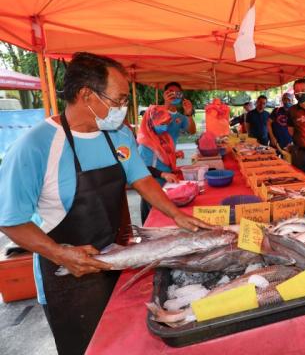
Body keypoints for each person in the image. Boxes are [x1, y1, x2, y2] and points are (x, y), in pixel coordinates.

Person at [0, 53, 211, 355]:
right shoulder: (36, 145)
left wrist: (176, 215)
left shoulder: (119, 134)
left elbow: (142, 179)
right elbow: (10, 220)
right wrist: (59, 253)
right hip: (69, 274)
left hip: (120, 260)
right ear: (86, 94)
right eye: (119, 100)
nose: (123, 108)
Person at [137, 105, 180, 223]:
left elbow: (161, 156)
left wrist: (174, 155)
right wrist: (163, 174)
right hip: (152, 189)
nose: (165, 126)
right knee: (155, 220)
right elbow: (142, 168)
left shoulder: (162, 137)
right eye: (161, 124)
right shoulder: (145, 144)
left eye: (166, 123)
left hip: (164, 186)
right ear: (151, 123)